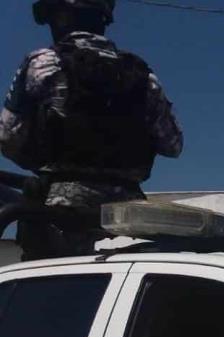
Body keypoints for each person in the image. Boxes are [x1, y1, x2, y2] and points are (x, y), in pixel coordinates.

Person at [0, 0, 183, 257]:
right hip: (129, 217)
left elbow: (8, 137)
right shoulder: (143, 76)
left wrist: (37, 163)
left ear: (61, 18)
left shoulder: (44, 62)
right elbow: (173, 145)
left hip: (61, 214)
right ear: (104, 19)